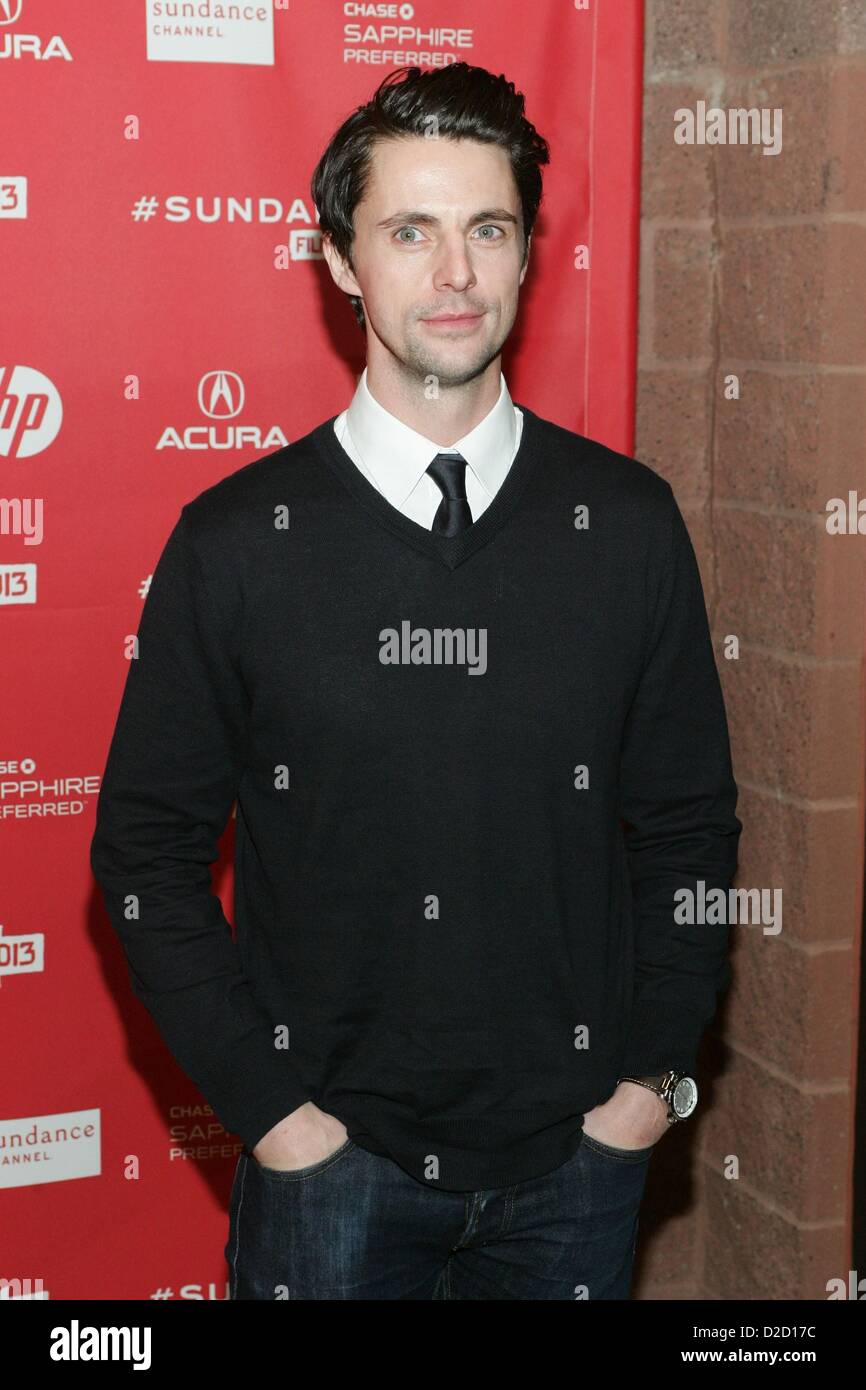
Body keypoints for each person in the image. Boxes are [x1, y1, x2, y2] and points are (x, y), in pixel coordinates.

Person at [90, 62, 742, 1300]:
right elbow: (143, 858)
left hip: (579, 1169)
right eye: (409, 232)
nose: (454, 274)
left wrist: (650, 1086)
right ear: (341, 261)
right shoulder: (235, 544)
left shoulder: (629, 523)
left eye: (486, 229)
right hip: (329, 1176)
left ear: (525, 255)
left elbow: (688, 831)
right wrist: (275, 1117)